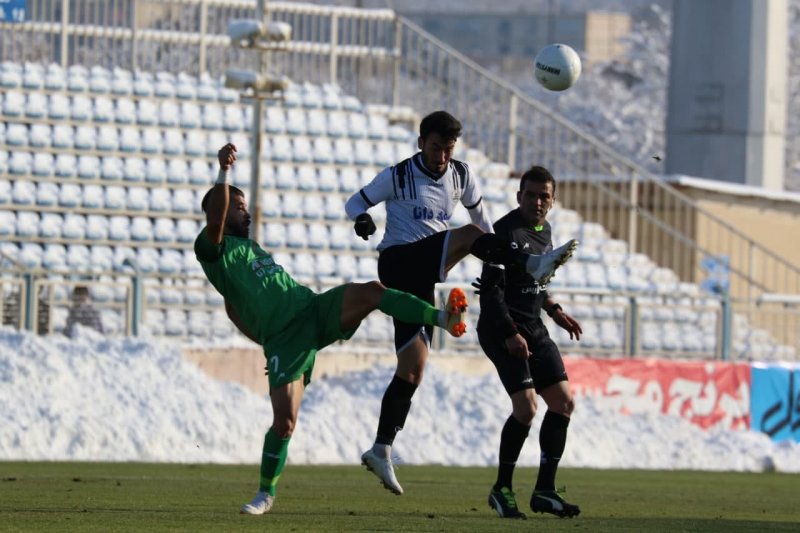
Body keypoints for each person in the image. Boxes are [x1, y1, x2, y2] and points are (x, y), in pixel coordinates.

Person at [195, 143, 470, 516]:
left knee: (373, 292)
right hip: (285, 341)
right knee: (285, 423)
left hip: (312, 309)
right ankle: (265, 493)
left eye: (243, 206)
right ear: (220, 211)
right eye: (238, 207)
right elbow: (217, 225)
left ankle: (441, 319)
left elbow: (235, 309)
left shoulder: (251, 249)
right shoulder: (212, 250)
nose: (246, 212)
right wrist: (224, 172)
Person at [344, 110, 578, 495]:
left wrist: (497, 260)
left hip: (424, 277)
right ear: (421, 143)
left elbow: (485, 226)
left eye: (448, 149)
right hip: (398, 261)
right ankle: (531, 263)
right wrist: (362, 220)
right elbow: (355, 202)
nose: (441, 157)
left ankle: (381, 448)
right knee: (468, 235)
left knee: (413, 367)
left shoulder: (461, 175)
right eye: (436, 147)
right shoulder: (398, 175)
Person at [476, 166, 582, 520]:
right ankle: (502, 489)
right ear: (519, 196)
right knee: (526, 408)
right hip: (500, 326)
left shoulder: (544, 232)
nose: (537, 202)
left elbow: (536, 281)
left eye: (544, 196)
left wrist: (554, 310)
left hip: (534, 324)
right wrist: (510, 333)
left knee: (563, 403)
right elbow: (490, 293)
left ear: (552, 201)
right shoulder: (503, 233)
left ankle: (544, 491)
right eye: (531, 195)